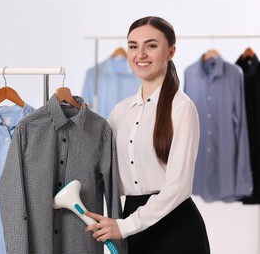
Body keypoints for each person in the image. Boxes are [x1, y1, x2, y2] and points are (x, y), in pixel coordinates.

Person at [85, 16, 210, 254]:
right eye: (133, 46)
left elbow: (179, 187)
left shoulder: (182, 108)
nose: (140, 54)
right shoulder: (119, 111)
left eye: (151, 46)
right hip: (132, 229)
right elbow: (100, 163)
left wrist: (124, 226)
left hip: (177, 229)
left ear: (171, 52)